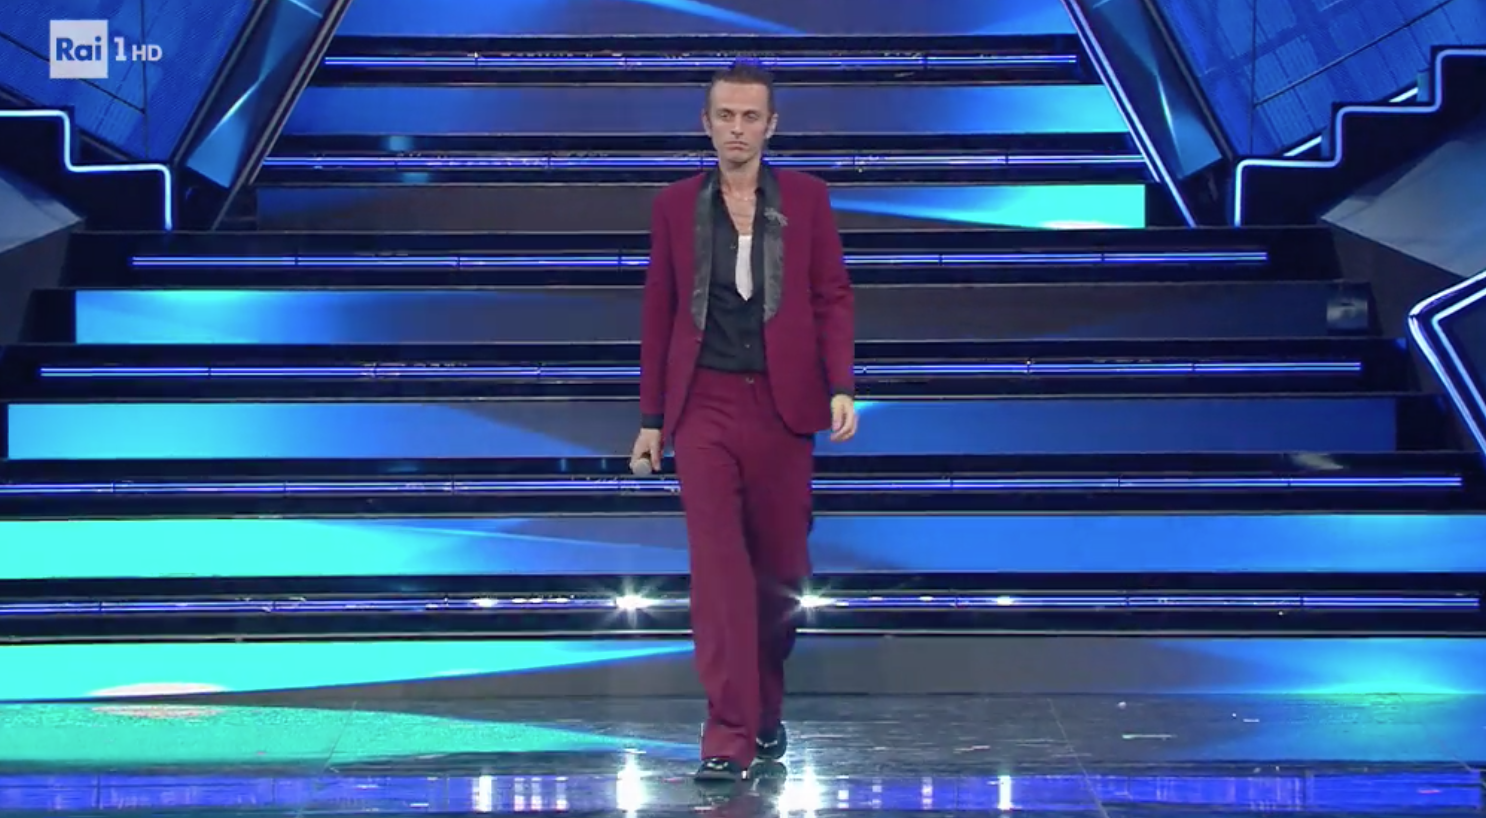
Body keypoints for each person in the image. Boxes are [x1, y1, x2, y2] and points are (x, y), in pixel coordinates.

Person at [630, 60, 858, 782]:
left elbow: (832, 295)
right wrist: (652, 418)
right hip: (704, 405)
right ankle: (725, 733)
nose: (737, 129)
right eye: (725, 116)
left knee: (781, 575)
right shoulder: (675, 205)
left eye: (750, 116)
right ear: (706, 124)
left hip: (784, 408)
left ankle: (762, 709)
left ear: (771, 125)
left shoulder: (808, 199)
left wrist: (841, 384)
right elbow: (660, 311)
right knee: (719, 573)